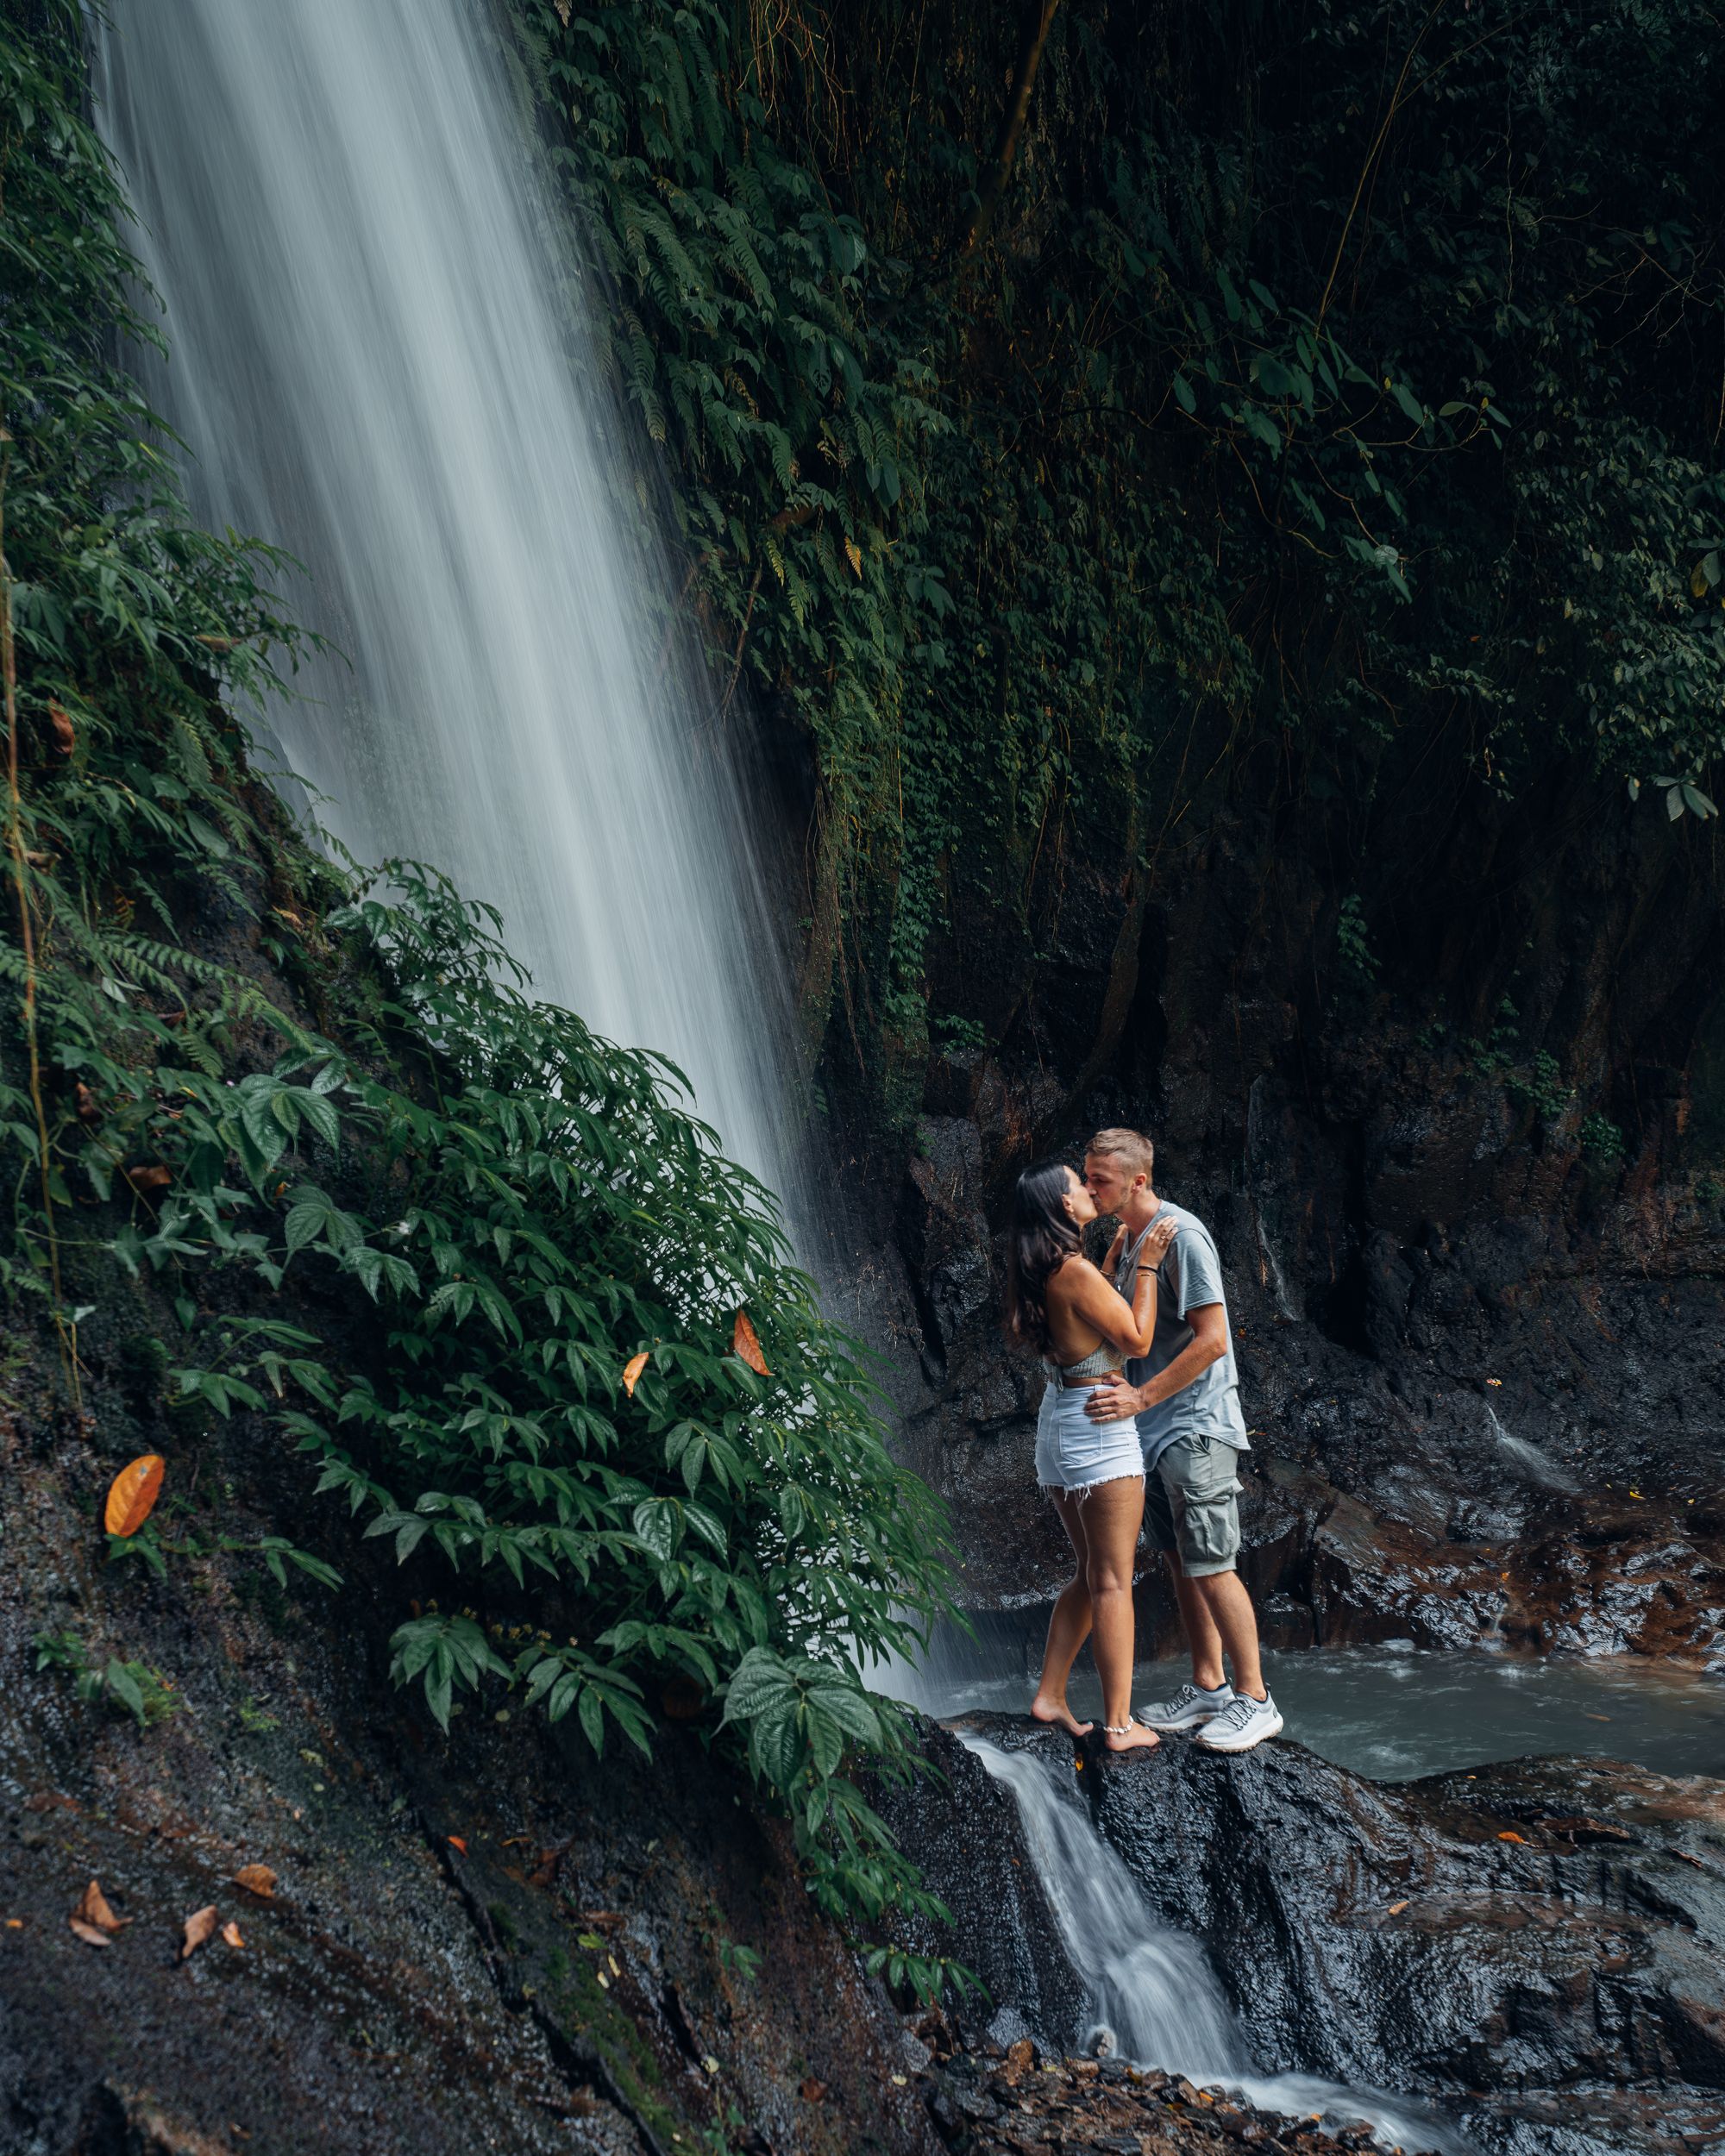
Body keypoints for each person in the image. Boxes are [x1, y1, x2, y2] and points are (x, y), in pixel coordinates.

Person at [1082, 1127, 1283, 1754]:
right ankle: (1209, 1684)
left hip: (1194, 1424)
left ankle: (1256, 1699)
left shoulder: (1182, 1236)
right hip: (1153, 1432)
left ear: (1138, 1181)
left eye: (1101, 1181)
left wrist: (1142, 1398)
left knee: (1214, 1564)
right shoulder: (1133, 1237)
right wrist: (1115, 1261)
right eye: (1086, 1177)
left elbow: (1214, 1339)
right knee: (1179, 1563)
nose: (1090, 1189)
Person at [1005, 1159, 1178, 1753]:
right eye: (1076, 1184)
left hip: (1059, 1422)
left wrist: (1108, 1264)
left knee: (1089, 1571)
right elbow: (1136, 1338)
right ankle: (1121, 1725)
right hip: (1099, 1425)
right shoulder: (1072, 1272)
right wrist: (1148, 1265)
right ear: (1062, 1207)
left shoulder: (1040, 1267)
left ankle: (1050, 1694)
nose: (1085, 1186)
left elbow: (1081, 1318)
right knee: (1112, 1581)